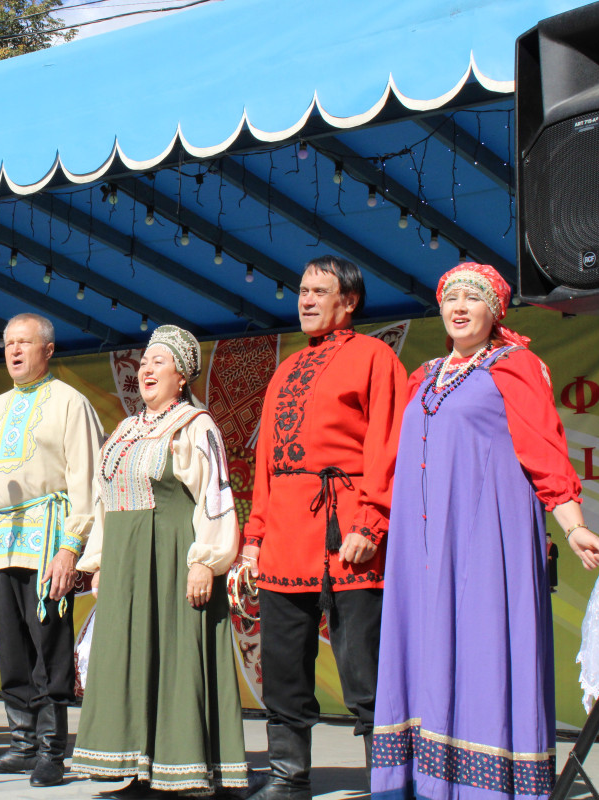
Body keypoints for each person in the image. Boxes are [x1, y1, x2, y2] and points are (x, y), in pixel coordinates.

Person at [371, 262, 599, 800]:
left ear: (494, 311)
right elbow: (391, 464)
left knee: (480, 647)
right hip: (420, 544)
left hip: (482, 536)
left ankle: (486, 785)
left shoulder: (513, 366)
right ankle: (417, 780)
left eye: (472, 298)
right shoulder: (422, 376)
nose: (459, 307)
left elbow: (543, 451)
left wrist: (574, 526)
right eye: (451, 296)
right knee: (421, 648)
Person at [242, 256, 407, 800]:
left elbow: (389, 445)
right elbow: (267, 462)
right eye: (302, 289)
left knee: (365, 670)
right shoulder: (287, 368)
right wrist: (254, 538)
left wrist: (372, 521)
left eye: (319, 290)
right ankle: (290, 776)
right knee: (284, 666)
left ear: (349, 301)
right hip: (285, 538)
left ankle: (386, 783)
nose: (306, 299)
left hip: (351, 532)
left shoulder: (374, 357)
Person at [73, 325, 248, 797]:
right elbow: (104, 500)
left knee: (173, 656)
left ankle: (182, 767)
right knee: (128, 658)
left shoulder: (195, 426)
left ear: (182, 377)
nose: (147, 369)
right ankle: (133, 765)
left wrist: (204, 561)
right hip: (127, 562)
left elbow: (215, 496)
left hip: (173, 556)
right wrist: (102, 561)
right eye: (145, 362)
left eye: (159, 363)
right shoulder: (127, 431)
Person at [0, 312, 104, 788]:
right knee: (12, 646)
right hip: (2, 541)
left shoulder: (70, 403)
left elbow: (87, 481)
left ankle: (51, 748)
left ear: (48, 350)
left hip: (47, 537)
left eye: (25, 343)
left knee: (50, 644)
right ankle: (21, 744)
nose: (14, 351)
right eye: (7, 344)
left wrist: (71, 549)